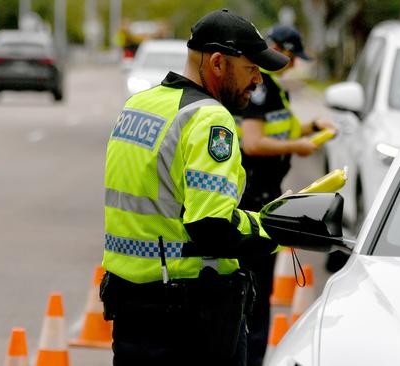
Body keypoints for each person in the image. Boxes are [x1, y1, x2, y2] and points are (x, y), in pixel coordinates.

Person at [99, 9, 289, 366]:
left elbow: (164, 207)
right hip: (189, 322)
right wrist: (275, 227)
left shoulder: (139, 106)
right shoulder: (209, 119)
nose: (258, 82)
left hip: (131, 309)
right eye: (251, 69)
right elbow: (211, 228)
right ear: (218, 63)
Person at [233, 24, 336, 366]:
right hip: (252, 197)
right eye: (290, 56)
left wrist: (310, 130)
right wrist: (300, 146)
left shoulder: (276, 88)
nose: (292, 64)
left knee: (258, 291)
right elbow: (252, 141)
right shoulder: (260, 89)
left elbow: (278, 129)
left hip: (266, 192)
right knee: (255, 293)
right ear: (278, 49)